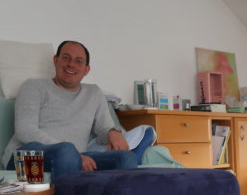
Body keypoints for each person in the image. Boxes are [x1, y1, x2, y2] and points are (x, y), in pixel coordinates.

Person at [2, 40, 156, 180]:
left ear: (86, 69)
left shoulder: (94, 93)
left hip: (73, 156)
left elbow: (103, 128)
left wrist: (112, 132)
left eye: (78, 61)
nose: (71, 64)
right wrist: (73, 154)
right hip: (24, 156)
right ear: (55, 60)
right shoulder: (33, 86)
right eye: (66, 58)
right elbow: (25, 130)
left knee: (125, 158)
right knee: (66, 150)